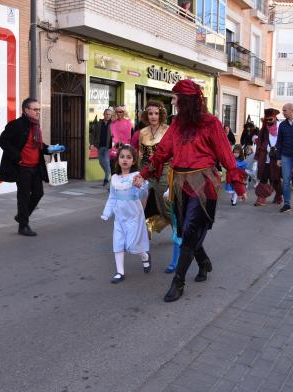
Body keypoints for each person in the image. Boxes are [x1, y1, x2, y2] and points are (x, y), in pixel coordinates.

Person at [133, 79, 247, 302]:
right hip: (179, 183)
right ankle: (203, 262)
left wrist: (239, 185)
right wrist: (143, 174)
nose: (173, 102)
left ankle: (179, 281)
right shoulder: (177, 124)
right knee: (186, 231)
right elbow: (162, 152)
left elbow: (226, 155)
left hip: (202, 184)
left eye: (176, 98)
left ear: (187, 100)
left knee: (191, 228)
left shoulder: (211, 123)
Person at [0, 98, 64, 237]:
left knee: (39, 193)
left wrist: (51, 148)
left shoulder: (35, 126)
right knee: (23, 196)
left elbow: (38, 146)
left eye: (39, 109)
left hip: (35, 167)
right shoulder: (16, 125)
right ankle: (23, 226)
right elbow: (2, 141)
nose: (38, 112)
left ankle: (22, 216)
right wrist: (17, 157)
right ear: (26, 110)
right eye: (35, 109)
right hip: (22, 167)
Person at [101, 145, 151, 284]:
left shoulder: (136, 176)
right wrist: (107, 213)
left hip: (134, 215)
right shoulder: (115, 178)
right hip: (119, 217)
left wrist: (141, 186)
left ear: (134, 161)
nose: (125, 160)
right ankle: (120, 272)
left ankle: (145, 256)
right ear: (118, 159)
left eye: (129, 157)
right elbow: (112, 197)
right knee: (118, 242)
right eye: (122, 157)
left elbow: (143, 193)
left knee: (132, 244)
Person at [137, 100, 170, 238]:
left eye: (156, 113)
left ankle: (177, 230)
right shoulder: (142, 132)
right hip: (147, 170)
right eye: (150, 113)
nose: (153, 116)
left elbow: (172, 152)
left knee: (166, 205)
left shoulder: (167, 130)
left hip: (164, 171)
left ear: (161, 114)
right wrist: (139, 173)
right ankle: (146, 226)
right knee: (141, 201)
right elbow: (140, 153)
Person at [254, 108, 283, 206]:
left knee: (275, 179)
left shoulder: (281, 128)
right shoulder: (264, 129)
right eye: (267, 119)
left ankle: (279, 195)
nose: (268, 121)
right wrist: (257, 156)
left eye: (270, 119)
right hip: (265, 158)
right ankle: (261, 198)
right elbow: (260, 143)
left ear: (275, 118)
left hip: (276, 158)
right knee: (263, 177)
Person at [89, 108, 113, 186]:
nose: (107, 116)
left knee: (106, 162)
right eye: (106, 114)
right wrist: (92, 143)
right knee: (101, 163)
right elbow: (92, 134)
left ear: (111, 115)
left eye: (109, 114)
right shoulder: (98, 124)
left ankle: (106, 179)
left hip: (108, 147)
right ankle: (108, 173)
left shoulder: (113, 124)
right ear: (103, 114)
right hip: (99, 146)